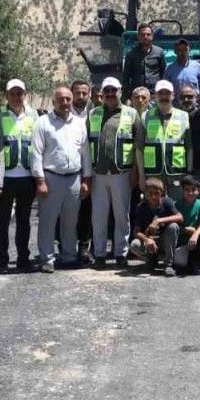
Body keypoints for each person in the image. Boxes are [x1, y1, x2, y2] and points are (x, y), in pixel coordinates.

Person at [32, 86, 91, 272]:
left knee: (70, 221)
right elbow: (36, 153)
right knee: (48, 222)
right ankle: (47, 259)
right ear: (53, 102)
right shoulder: (43, 123)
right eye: (61, 99)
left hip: (74, 178)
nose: (65, 102)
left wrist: (86, 180)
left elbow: (85, 154)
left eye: (68, 99)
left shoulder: (79, 123)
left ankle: (68, 256)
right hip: (51, 179)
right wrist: (40, 181)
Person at [88, 77, 142, 267]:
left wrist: (136, 172)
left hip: (122, 173)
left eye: (114, 90)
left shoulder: (132, 114)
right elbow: (86, 144)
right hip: (98, 173)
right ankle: (99, 254)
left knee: (121, 215)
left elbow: (138, 145)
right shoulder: (93, 113)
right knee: (98, 216)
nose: (110, 94)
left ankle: (121, 253)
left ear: (120, 91)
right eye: (107, 91)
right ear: (102, 93)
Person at [0, 79, 37, 274]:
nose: (16, 97)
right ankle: (2, 260)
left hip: (27, 177)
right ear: (6, 95)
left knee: (24, 221)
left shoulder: (33, 115)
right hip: (6, 178)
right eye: (12, 93)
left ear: (25, 95)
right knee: (2, 221)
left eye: (20, 93)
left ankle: (23, 258)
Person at [138, 80, 193, 204]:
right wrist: (141, 175)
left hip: (177, 173)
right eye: (160, 93)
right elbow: (139, 149)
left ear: (173, 95)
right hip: (153, 173)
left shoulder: (184, 116)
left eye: (167, 93)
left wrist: (189, 173)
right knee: (154, 206)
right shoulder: (146, 116)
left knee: (176, 206)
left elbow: (189, 148)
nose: (164, 97)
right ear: (155, 96)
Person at [129, 178, 182, 276]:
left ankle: (168, 264)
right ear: (145, 193)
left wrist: (158, 221)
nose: (153, 196)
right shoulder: (141, 207)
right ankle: (151, 260)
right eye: (150, 193)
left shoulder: (167, 202)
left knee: (173, 226)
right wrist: (146, 240)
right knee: (134, 245)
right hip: (151, 242)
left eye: (156, 193)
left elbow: (180, 217)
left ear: (161, 193)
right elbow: (136, 232)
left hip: (166, 242)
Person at [70, 80, 95, 264]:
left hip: (89, 170)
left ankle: (84, 247)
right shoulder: (63, 114)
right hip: (68, 170)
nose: (80, 97)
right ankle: (66, 247)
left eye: (84, 93)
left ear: (89, 95)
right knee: (67, 211)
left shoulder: (94, 115)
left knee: (86, 210)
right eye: (77, 93)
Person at [173, 175, 200, 275]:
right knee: (181, 268)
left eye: (193, 190)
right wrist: (184, 229)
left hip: (196, 241)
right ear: (182, 190)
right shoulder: (176, 204)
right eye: (187, 190)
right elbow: (172, 223)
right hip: (181, 242)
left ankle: (198, 263)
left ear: (198, 191)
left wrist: (196, 234)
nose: (190, 193)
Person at [121, 23, 166, 100]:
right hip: (138, 96)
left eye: (148, 34)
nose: (145, 37)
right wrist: (127, 98)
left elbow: (164, 74)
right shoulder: (131, 54)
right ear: (138, 37)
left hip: (154, 95)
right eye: (142, 35)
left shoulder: (159, 52)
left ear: (152, 36)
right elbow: (126, 77)